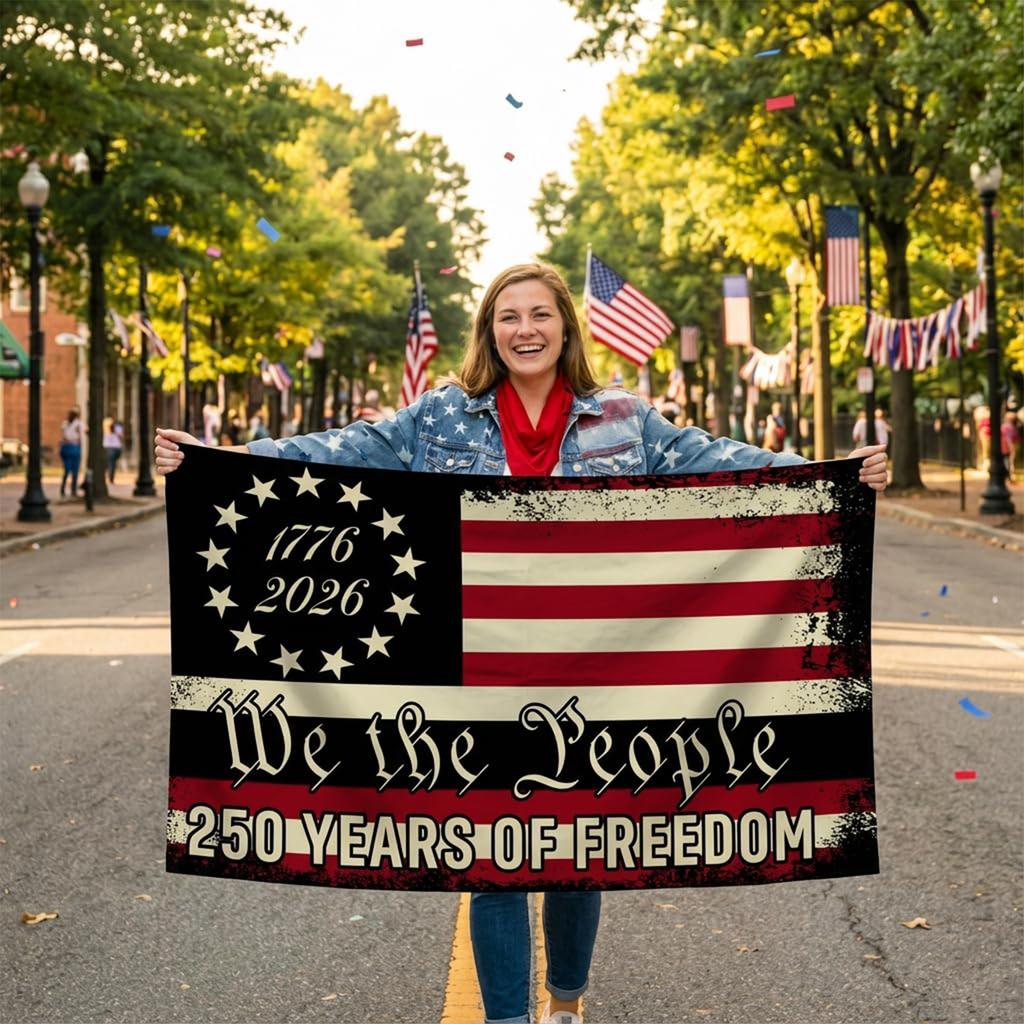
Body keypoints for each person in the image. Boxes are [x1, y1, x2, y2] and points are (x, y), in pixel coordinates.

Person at [155, 262, 888, 1024]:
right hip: (480, 669)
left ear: (566, 326)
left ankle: (567, 1003)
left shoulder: (623, 418)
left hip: (600, 670)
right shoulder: (443, 416)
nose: (525, 329)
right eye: (509, 316)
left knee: (583, 856)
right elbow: (347, 448)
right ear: (489, 331)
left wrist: (835, 474)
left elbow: (718, 461)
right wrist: (224, 461)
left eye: (540, 314)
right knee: (491, 853)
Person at [59, 407, 84, 497]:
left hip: (65, 447)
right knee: (75, 471)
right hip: (74, 448)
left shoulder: (65, 423)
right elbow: (80, 437)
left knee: (66, 469)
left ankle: (62, 488)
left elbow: (64, 435)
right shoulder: (79, 424)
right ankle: (73, 490)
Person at [102, 416, 124, 484]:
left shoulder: (105, 428)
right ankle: (111, 478)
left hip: (109, 448)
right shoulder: (118, 428)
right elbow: (121, 436)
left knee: (110, 464)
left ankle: (110, 478)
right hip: (116, 448)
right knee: (112, 464)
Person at [1001, 410, 1020, 482]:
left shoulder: (1006, 427)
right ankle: (1008, 476)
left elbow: (1010, 439)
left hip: (1005, 448)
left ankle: (1008, 476)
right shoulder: (1010, 427)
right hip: (1006, 448)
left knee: (1007, 462)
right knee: (1008, 462)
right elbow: (1012, 439)